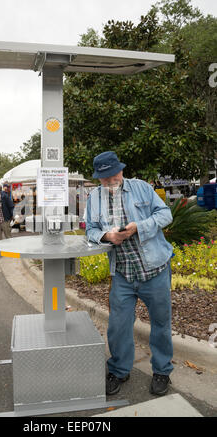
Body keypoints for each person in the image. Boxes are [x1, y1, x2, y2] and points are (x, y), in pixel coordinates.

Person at [85, 151, 174, 397]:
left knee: (160, 324)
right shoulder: (94, 198)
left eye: (113, 174)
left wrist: (139, 227)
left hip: (155, 269)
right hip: (123, 274)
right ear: (98, 178)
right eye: (104, 178)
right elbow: (90, 229)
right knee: (118, 326)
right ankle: (119, 370)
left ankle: (162, 371)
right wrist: (106, 236)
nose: (110, 180)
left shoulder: (142, 188)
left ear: (121, 170)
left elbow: (165, 214)